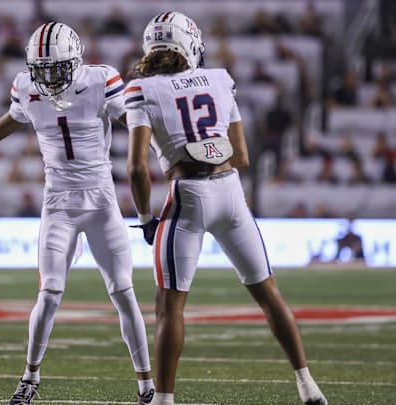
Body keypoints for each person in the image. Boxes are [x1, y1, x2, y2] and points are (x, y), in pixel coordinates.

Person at [125, 12, 328, 405]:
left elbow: (136, 168)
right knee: (268, 293)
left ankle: (164, 400)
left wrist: (146, 218)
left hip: (188, 196)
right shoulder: (219, 79)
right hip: (232, 193)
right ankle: (307, 384)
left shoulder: (142, 90)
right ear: (190, 45)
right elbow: (244, 155)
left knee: (170, 306)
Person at [0, 22, 155, 405]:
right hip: (58, 203)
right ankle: (29, 378)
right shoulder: (26, 88)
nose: (47, 77)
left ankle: (147, 386)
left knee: (124, 293)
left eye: (55, 67)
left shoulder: (100, 81)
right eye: (40, 68)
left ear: (75, 61)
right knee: (48, 293)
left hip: (100, 202)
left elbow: (136, 124)